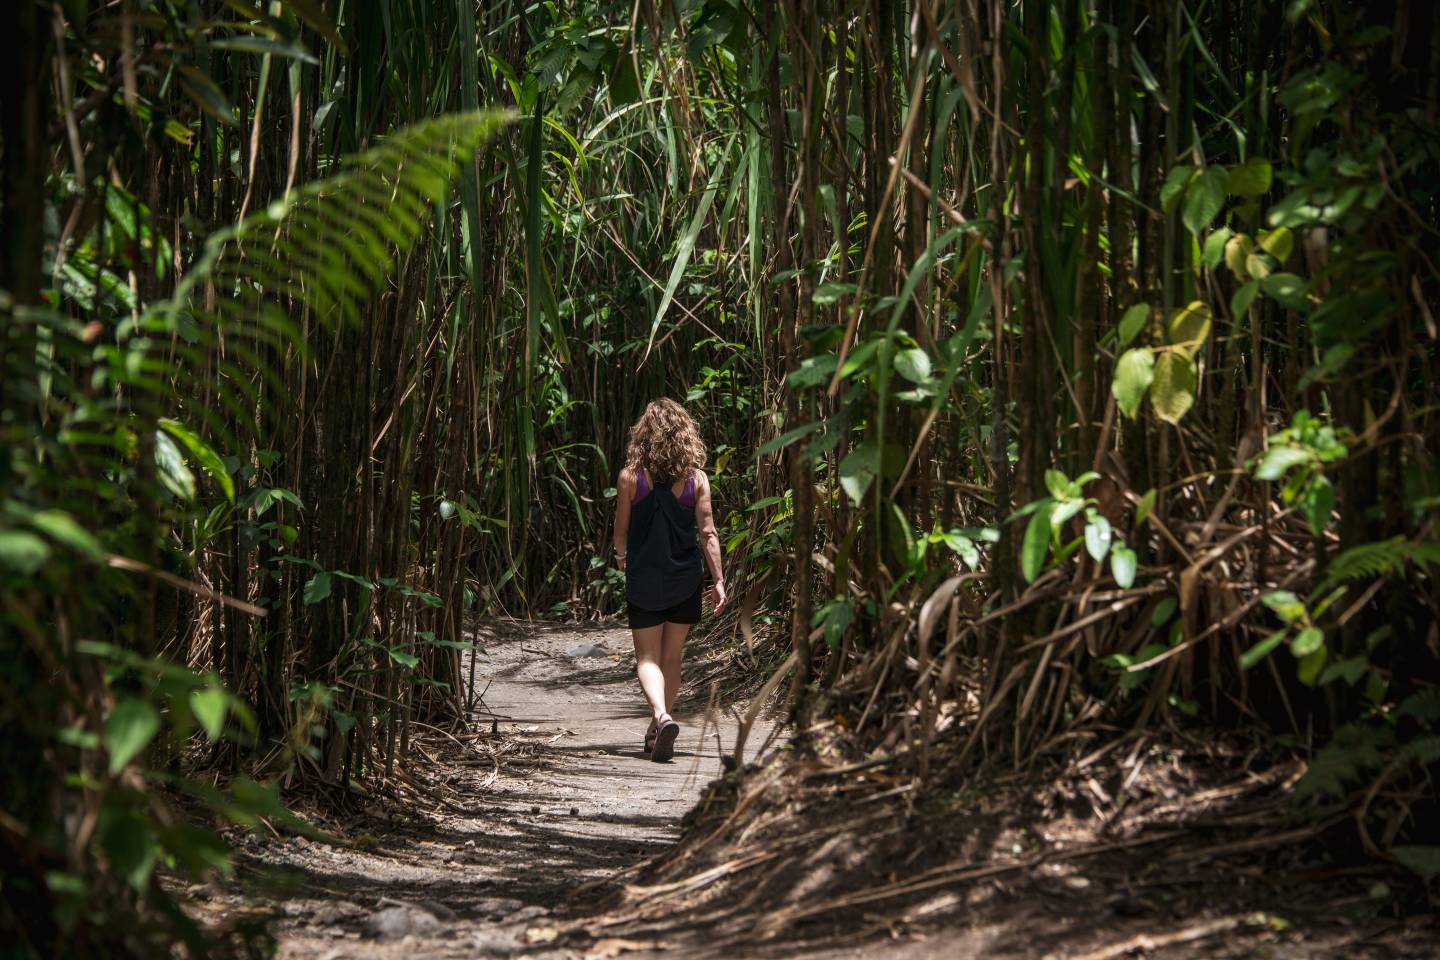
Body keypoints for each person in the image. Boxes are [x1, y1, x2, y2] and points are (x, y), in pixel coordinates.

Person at [612, 399, 726, 762]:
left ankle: (661, 717)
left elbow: (621, 531)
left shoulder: (630, 478)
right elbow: (708, 533)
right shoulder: (697, 480)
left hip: (644, 577)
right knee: (672, 657)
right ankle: (656, 728)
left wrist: (621, 559)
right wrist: (719, 580)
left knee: (647, 657)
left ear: (644, 435)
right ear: (684, 435)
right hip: (684, 579)